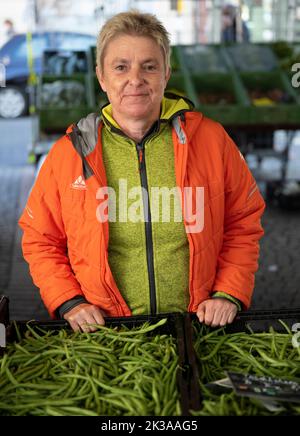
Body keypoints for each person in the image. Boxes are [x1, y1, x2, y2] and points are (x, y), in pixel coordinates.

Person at [19, 11, 265, 333]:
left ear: (166, 74)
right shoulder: (71, 153)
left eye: (149, 66)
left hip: (197, 328)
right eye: (121, 67)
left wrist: (228, 293)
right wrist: (69, 301)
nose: (135, 79)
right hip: (107, 334)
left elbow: (243, 224)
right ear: (102, 77)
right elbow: (40, 239)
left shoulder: (211, 140)